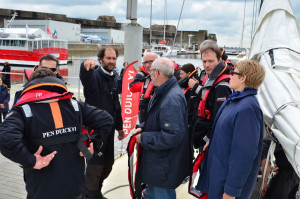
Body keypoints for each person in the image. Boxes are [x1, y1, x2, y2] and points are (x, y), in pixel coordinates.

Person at [0, 68, 114, 199]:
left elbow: (5, 138)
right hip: (75, 187)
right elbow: (106, 120)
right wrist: (92, 142)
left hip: (41, 189)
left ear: (31, 85)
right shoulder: (75, 105)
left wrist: (31, 161)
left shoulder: (23, 110)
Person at [197, 60, 266, 199]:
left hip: (226, 186)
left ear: (243, 78)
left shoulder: (248, 108)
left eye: (233, 72)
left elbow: (244, 155)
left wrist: (231, 192)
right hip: (218, 177)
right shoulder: (234, 101)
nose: (229, 76)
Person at [133, 57, 190, 199]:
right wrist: (143, 127)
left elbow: (172, 136)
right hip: (158, 166)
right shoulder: (165, 92)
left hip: (163, 169)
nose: (149, 74)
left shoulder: (171, 99)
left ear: (157, 72)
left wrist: (143, 137)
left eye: (151, 71)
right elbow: (158, 121)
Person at [79, 47, 124, 199]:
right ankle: (89, 195)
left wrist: (120, 127)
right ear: (101, 60)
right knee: (94, 168)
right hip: (95, 132)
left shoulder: (113, 78)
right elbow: (86, 77)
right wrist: (86, 65)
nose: (111, 61)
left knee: (108, 165)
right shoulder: (95, 76)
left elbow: (116, 105)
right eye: (108, 58)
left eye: (113, 58)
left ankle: (96, 192)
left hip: (109, 132)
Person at [188, 41, 232, 149]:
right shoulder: (210, 77)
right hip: (201, 133)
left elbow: (220, 117)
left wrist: (208, 138)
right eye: (204, 61)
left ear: (220, 60)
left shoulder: (222, 85)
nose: (207, 65)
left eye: (211, 61)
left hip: (210, 141)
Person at [260, 133, 299, 199]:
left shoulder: (273, 137)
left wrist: (264, 182)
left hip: (284, 180)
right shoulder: (296, 132)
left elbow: (266, 161)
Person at [129, 52, 159, 124]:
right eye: (145, 62)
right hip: (143, 109)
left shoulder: (165, 74)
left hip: (157, 110)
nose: (147, 65)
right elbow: (132, 87)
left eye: (150, 62)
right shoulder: (142, 73)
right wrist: (146, 83)